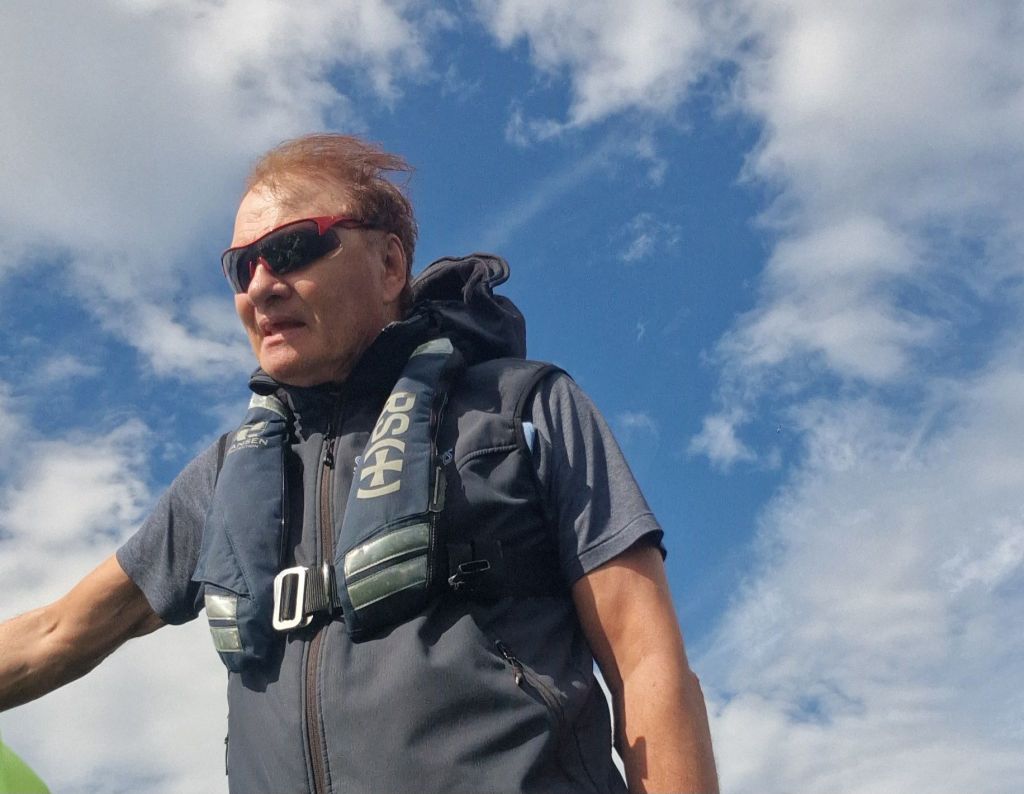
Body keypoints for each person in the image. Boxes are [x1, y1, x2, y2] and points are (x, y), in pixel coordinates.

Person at [0, 134, 718, 793]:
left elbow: (646, 661)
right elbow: (57, 633)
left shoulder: (521, 411)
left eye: (291, 249)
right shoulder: (221, 479)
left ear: (390, 264)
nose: (259, 286)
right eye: (241, 266)